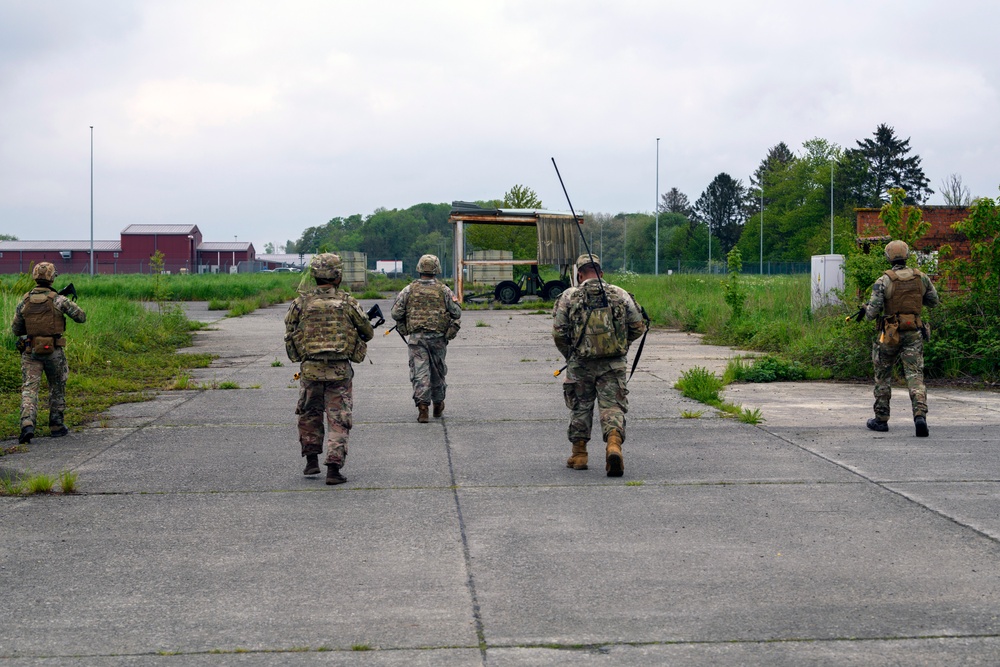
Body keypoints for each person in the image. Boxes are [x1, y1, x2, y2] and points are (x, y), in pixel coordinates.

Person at [552, 254, 646, 477]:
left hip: (580, 363)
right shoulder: (620, 294)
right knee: (612, 405)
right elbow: (638, 326)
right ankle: (613, 444)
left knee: (580, 407)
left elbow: (558, 332)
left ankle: (579, 454)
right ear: (601, 273)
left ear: (579, 275)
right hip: (613, 363)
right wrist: (619, 346)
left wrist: (571, 355)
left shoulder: (569, 296)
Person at [284, 253, 374, 484]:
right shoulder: (348, 302)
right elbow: (367, 332)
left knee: (309, 414)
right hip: (339, 371)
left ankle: (311, 462)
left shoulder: (301, 302)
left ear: (314, 275)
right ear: (338, 275)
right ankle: (333, 469)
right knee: (338, 418)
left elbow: (289, 331)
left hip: (310, 369)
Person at [860, 240, 940, 437]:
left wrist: (865, 309)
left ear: (888, 257)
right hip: (914, 332)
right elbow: (933, 302)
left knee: (883, 376)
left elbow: (872, 313)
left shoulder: (883, 281)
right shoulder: (921, 278)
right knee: (915, 375)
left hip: (889, 334)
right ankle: (920, 415)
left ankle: (881, 419)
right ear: (907, 255)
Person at [11, 262, 87, 444]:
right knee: (57, 386)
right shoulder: (59, 300)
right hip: (53, 350)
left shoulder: (25, 300)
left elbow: (16, 329)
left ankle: (27, 423)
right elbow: (81, 317)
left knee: (29, 389)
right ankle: (56, 425)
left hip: (30, 351)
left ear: (35, 277)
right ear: (52, 278)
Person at [390, 254, 462, 423]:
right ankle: (438, 403)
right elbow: (456, 312)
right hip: (437, 338)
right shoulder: (444, 290)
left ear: (419, 268)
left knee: (420, 372)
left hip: (417, 339)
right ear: (436, 269)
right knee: (437, 371)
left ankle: (423, 408)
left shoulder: (409, 289)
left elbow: (395, 313)